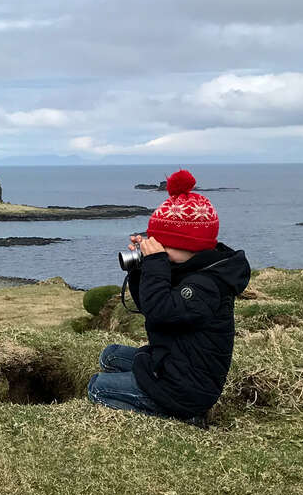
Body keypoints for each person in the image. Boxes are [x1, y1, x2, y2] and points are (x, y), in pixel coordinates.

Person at [86, 169, 251, 426]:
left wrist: (156, 264)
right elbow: (148, 304)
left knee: (97, 387)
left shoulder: (206, 285)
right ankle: (153, 390)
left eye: (164, 245)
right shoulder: (191, 268)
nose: (158, 248)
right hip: (173, 363)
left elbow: (160, 311)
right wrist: (141, 268)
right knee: (110, 356)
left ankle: (183, 417)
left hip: (186, 389)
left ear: (190, 246)